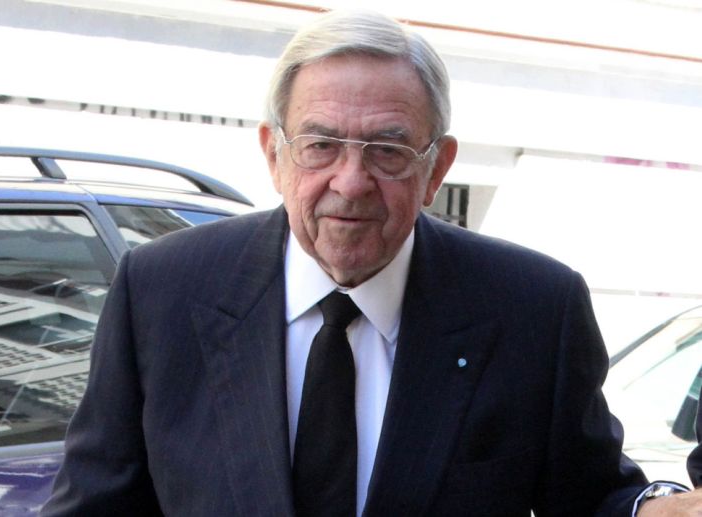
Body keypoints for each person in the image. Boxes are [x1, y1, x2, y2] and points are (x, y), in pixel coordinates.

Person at [41, 9, 702, 516]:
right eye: (321, 145)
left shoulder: (532, 308)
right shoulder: (162, 291)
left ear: (436, 167)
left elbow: (590, 496)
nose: (351, 182)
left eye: (388, 151)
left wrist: (658, 509)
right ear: (274, 153)